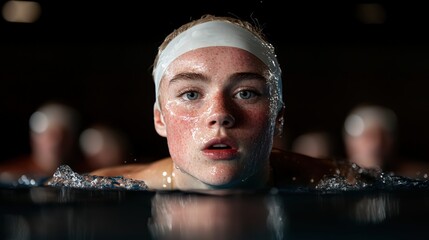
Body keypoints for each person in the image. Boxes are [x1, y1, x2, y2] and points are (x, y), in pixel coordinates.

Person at [91, 14, 351, 190]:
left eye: (245, 93)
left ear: (278, 117)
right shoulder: (100, 189)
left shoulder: (344, 181)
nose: (220, 114)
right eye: (191, 94)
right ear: (160, 118)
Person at [0, 101, 81, 184]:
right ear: (35, 138)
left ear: (72, 141)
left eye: (64, 136)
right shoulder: (9, 175)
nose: (57, 142)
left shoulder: (81, 174)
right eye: (51, 134)